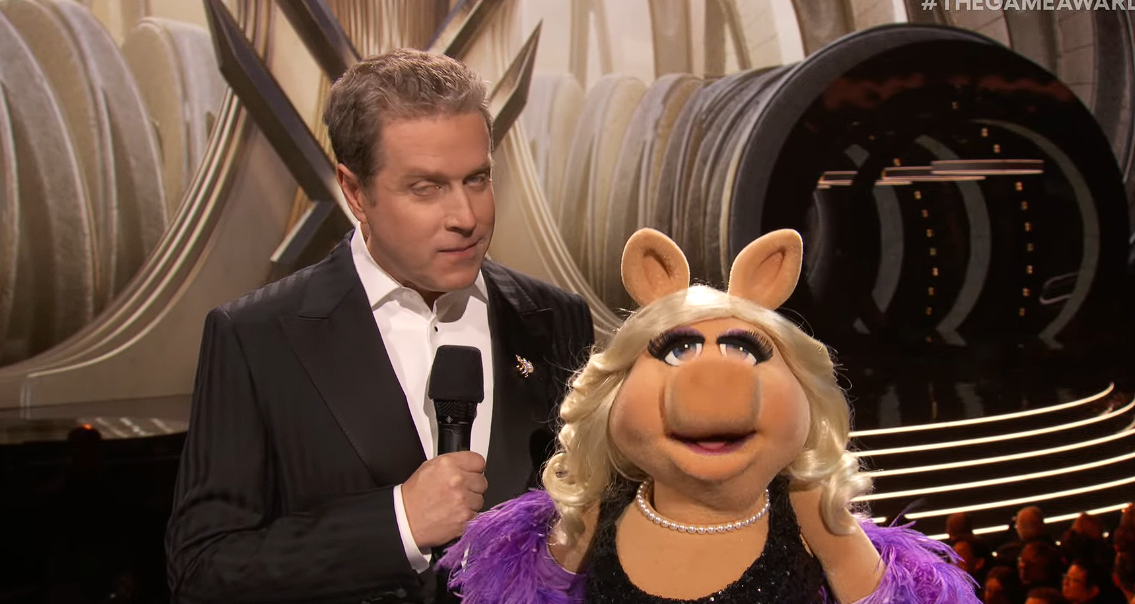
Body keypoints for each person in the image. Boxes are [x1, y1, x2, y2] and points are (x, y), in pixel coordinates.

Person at [165, 48, 594, 604]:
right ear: (355, 191)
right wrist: (398, 524)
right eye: (426, 187)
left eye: (477, 179)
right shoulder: (256, 337)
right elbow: (202, 569)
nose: (466, 217)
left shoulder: (555, 318)